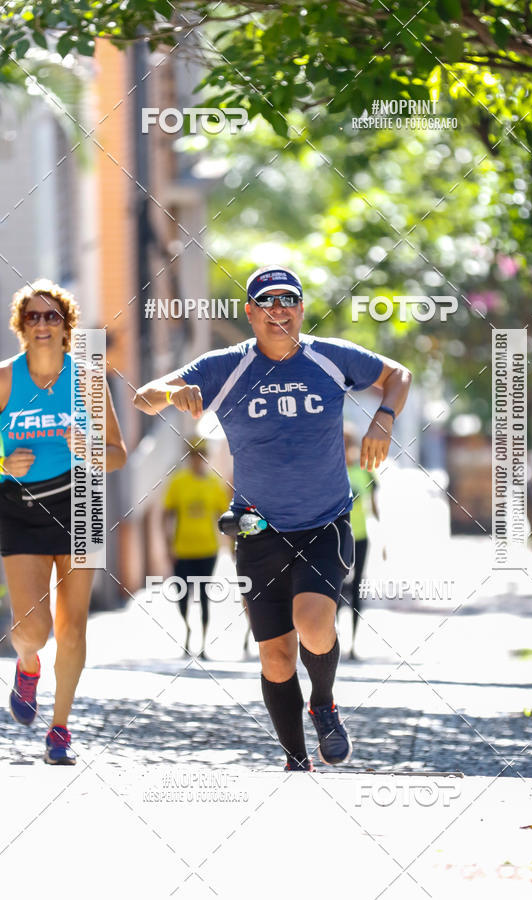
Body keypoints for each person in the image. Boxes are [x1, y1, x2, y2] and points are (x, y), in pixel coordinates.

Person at [134, 264, 411, 771]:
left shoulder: (329, 358)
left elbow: (398, 375)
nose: (277, 310)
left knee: (313, 624)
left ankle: (323, 702)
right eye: (266, 302)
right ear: (250, 313)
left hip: (324, 522)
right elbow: (143, 396)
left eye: (287, 301)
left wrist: (383, 417)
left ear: (301, 310)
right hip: (257, 530)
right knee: (275, 655)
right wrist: (175, 393)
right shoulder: (225, 366)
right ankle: (295, 759)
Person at [0, 279, 127, 764]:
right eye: (33, 316)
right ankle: (28, 666)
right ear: (21, 327)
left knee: (73, 627)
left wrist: (92, 449)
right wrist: (3, 464)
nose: (42, 324)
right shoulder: (7, 380)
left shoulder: (89, 381)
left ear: (67, 327)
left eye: (52, 316)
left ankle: (60, 729)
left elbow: (117, 455)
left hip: (82, 504)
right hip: (21, 506)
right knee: (33, 630)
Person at [162, 436, 230, 658]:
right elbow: (167, 515)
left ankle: (202, 642)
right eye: (193, 455)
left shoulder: (213, 484)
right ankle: (187, 632)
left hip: (207, 550)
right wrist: (168, 546)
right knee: (182, 597)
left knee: (204, 597)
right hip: (182, 550)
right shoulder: (178, 482)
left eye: (201, 455)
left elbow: (223, 516)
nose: (197, 460)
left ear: (206, 457)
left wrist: (231, 542)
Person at [338, 422, 381, 660]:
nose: (345, 448)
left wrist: (384, 540)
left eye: (348, 444)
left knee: (356, 590)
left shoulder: (364, 472)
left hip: (361, 538)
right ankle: (332, 641)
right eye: (341, 443)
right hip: (335, 538)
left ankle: (353, 643)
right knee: (333, 589)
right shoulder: (331, 470)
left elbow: (375, 509)